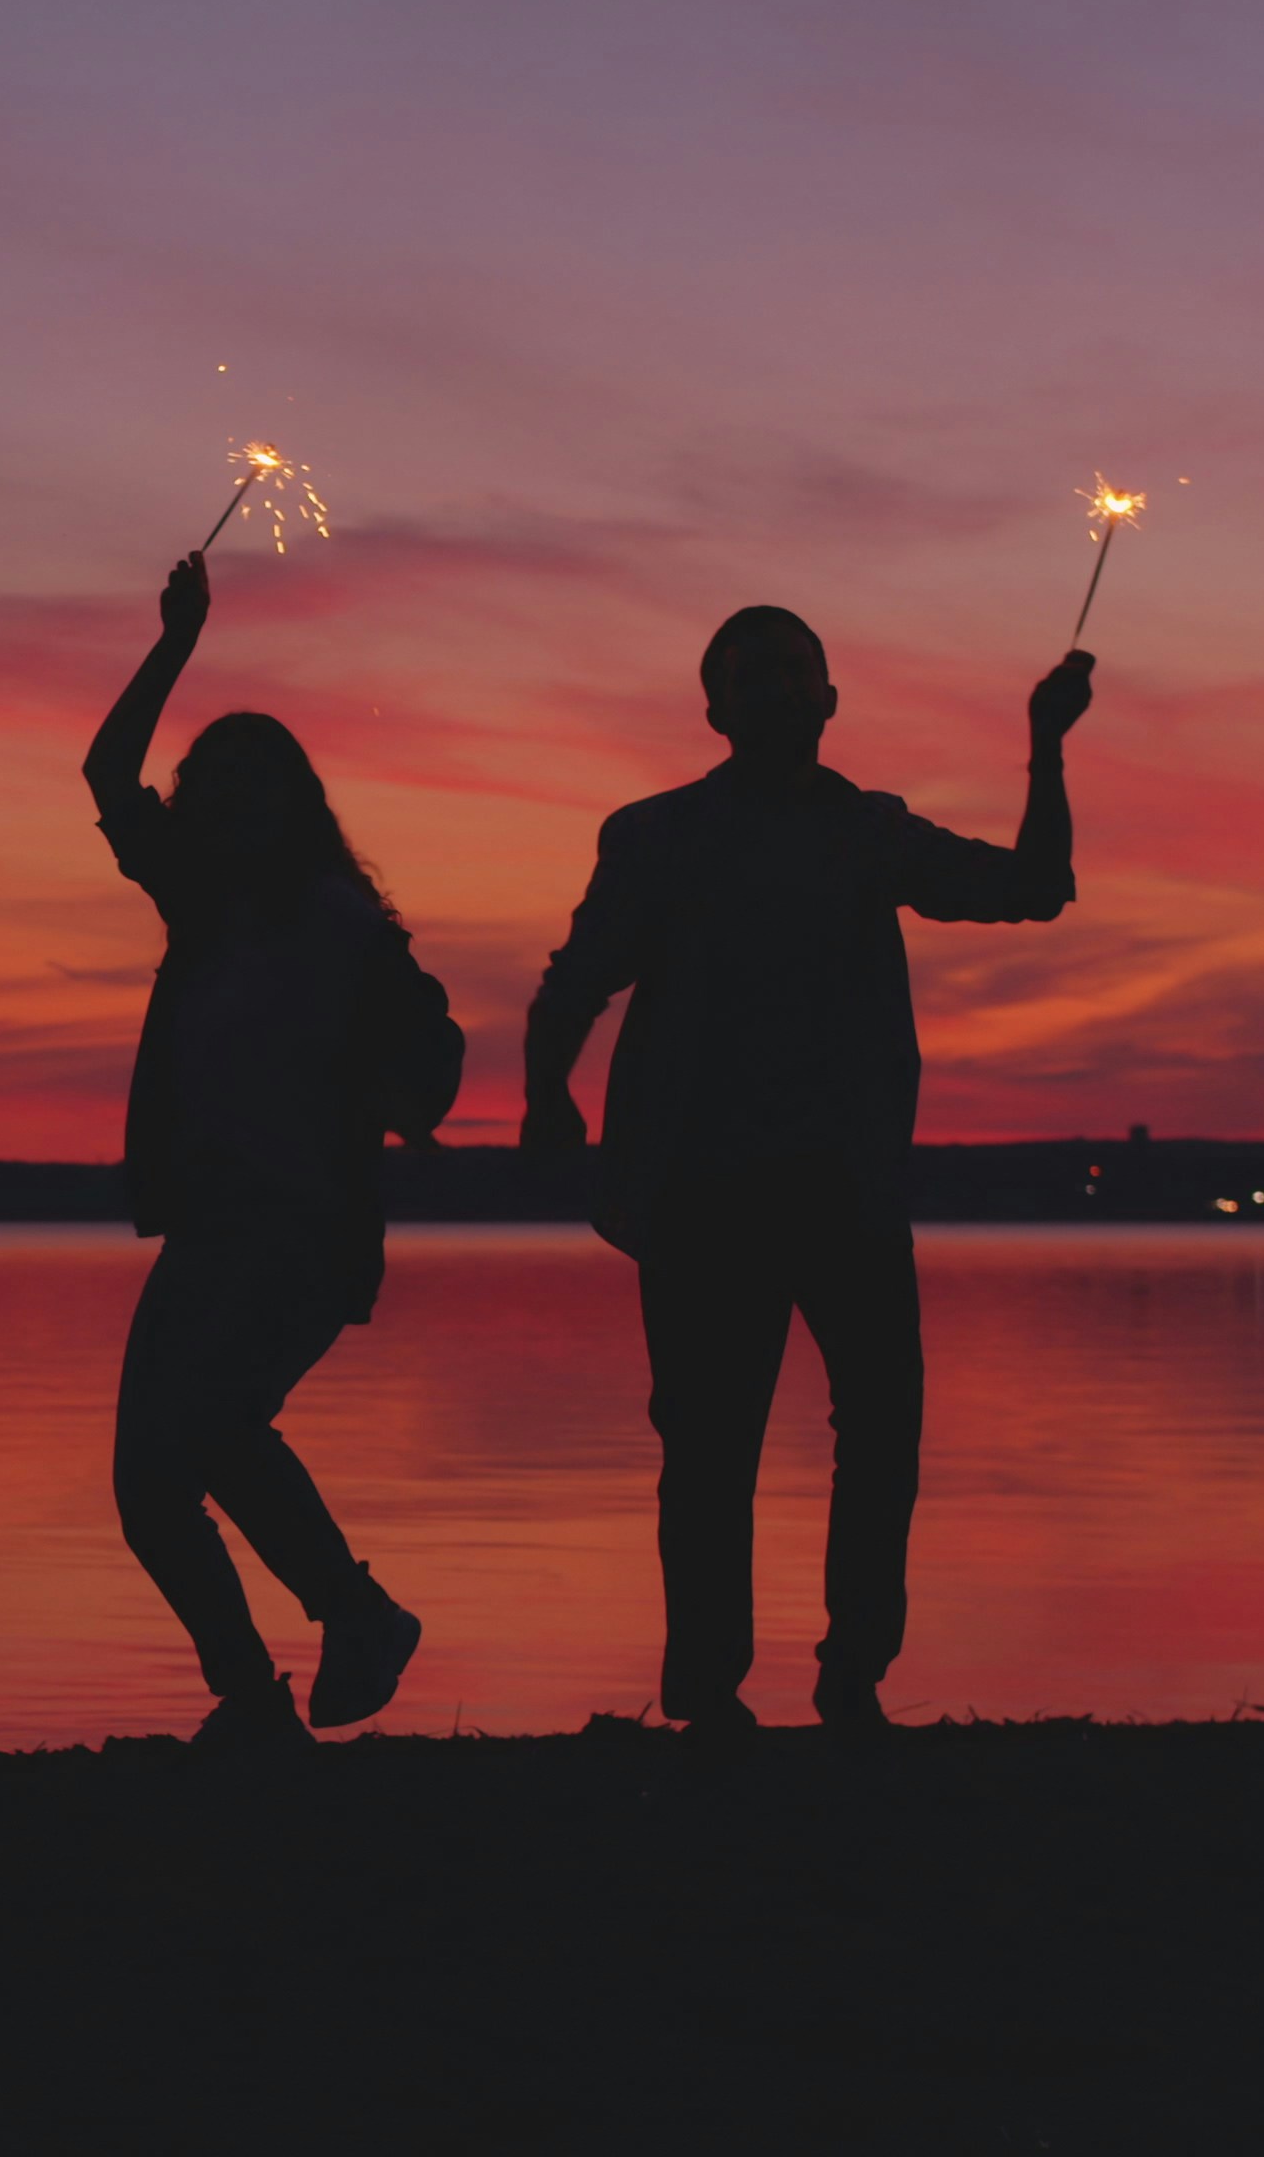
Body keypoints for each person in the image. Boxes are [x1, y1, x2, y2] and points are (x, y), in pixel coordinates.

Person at [521, 608, 1092, 1734]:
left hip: (847, 1186)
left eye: (799, 675)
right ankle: (705, 1688)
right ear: (716, 711)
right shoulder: (656, 837)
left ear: (830, 703)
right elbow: (579, 976)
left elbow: (1037, 885)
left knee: (881, 1428)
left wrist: (1048, 742)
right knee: (707, 1448)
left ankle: (854, 1673)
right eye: (758, 677)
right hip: (700, 1194)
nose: (783, 692)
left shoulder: (869, 833)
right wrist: (547, 1093)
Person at [81, 552, 462, 1752]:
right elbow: (103, 771)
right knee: (168, 1473)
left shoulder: (344, 928)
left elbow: (430, 1063)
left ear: (295, 805)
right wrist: (177, 638)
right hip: (214, 1228)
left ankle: (323, 1644)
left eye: (261, 780)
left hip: (297, 1232)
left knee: (194, 1446)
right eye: (219, 778)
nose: (237, 796)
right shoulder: (200, 906)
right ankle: (294, 1667)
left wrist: (404, 1086)